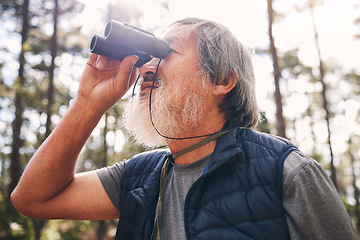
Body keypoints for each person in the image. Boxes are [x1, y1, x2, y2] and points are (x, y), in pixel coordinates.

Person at [10, 17, 357, 240]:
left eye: (163, 52)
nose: (146, 65)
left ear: (222, 79)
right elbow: (33, 199)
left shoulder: (286, 171)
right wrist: (88, 101)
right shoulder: (139, 177)